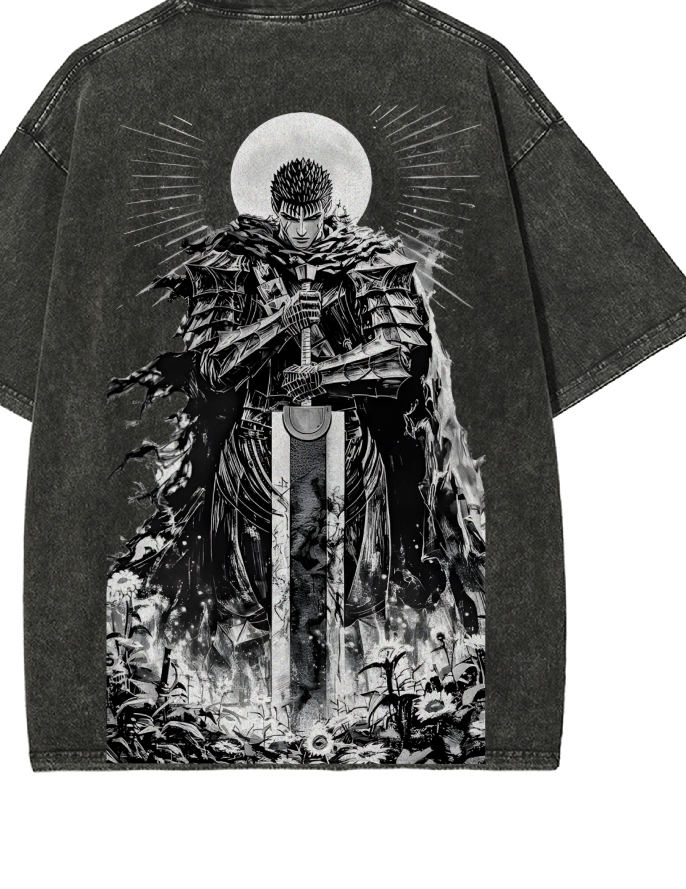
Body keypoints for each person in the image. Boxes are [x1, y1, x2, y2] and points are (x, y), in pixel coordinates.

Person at [108, 158, 485, 710]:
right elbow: (211, 368)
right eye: (291, 217)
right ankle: (242, 707)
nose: (302, 231)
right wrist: (279, 323)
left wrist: (323, 375)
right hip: (253, 450)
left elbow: (400, 360)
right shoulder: (238, 265)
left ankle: (365, 706)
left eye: (312, 217)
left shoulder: (366, 262)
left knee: (355, 607)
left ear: (329, 209)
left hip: (348, 447)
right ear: (275, 211)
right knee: (247, 606)